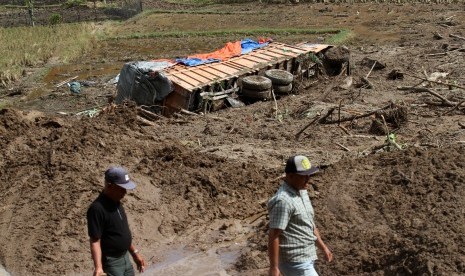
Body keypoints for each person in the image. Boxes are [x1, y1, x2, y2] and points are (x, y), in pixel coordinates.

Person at [268, 155, 333, 276]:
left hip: (307, 256)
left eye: (309, 175)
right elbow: (274, 234)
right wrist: (274, 267)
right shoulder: (283, 201)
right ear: (290, 176)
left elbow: (309, 224)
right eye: (303, 176)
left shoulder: (302, 192)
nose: (308, 180)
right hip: (294, 261)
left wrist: (323, 247)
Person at [87, 166, 146, 276]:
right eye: (121, 188)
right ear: (110, 186)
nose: (125, 192)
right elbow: (95, 240)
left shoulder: (117, 202)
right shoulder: (97, 209)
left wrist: (134, 253)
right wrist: (99, 268)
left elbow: (121, 232)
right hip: (112, 263)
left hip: (125, 258)